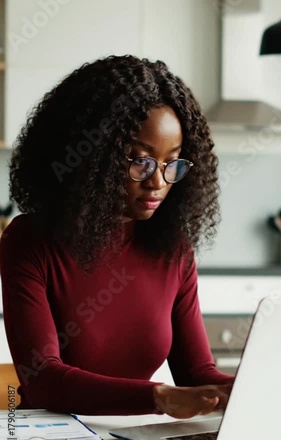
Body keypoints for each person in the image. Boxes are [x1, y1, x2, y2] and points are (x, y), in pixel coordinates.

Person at [0, 55, 234, 418]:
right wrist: (157, 397)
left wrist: (249, 387)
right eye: (140, 161)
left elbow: (197, 374)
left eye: (173, 163)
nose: (159, 182)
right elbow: (42, 377)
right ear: (94, 158)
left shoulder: (173, 250)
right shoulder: (29, 241)